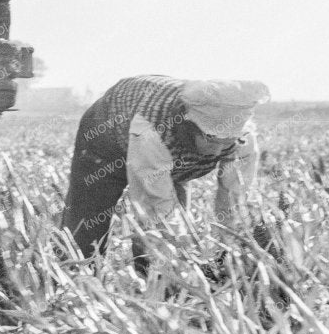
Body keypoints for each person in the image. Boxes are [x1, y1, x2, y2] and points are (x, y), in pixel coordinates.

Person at [60, 76, 270, 259]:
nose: (217, 152)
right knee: (89, 220)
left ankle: (153, 279)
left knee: (173, 225)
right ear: (189, 126)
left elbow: (235, 198)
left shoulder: (241, 141)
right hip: (106, 133)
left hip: (172, 154)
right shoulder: (151, 131)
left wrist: (232, 246)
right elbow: (155, 204)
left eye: (226, 142)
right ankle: (74, 274)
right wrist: (177, 244)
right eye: (211, 140)